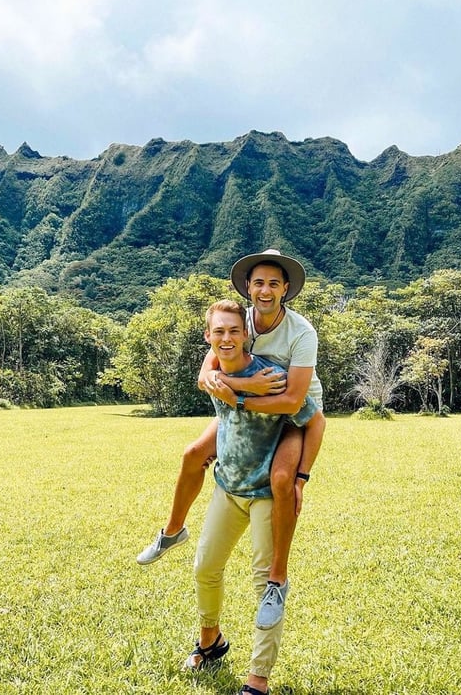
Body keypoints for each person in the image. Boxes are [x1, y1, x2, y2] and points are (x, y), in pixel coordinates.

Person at [137, 249, 325, 630]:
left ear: (286, 289)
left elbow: (292, 400)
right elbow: (207, 374)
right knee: (193, 454)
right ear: (248, 288)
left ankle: (276, 579)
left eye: (274, 283)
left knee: (282, 481)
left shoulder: (301, 332)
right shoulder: (239, 322)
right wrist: (242, 390)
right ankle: (172, 531)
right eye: (259, 283)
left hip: (293, 415)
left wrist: (237, 393)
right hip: (245, 406)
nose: (266, 290)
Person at [184, 299, 321, 695]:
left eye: (233, 331)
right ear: (208, 338)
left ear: (247, 335)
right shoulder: (213, 374)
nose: (226, 338)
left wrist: (300, 478)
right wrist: (230, 387)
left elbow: (312, 417)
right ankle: (211, 642)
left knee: (266, 583)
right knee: (205, 567)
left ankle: (257, 679)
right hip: (228, 487)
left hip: (266, 493)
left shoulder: (273, 375)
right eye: (218, 332)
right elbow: (212, 383)